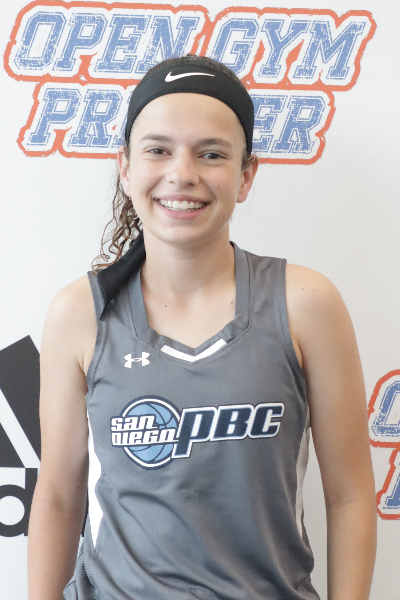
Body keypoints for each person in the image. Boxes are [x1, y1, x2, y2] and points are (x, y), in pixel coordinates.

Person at [28, 55, 376, 600]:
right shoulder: (80, 313)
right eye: (158, 150)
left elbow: (351, 496)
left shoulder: (306, 304)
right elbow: (57, 496)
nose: (182, 173)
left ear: (246, 175)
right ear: (125, 167)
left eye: (211, 153)